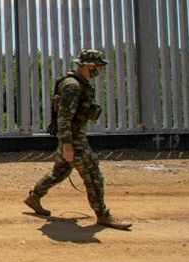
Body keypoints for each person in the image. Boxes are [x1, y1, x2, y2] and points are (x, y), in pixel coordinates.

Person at [24, 49, 132, 230]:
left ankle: (34, 197)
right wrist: (67, 145)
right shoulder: (72, 86)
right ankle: (103, 215)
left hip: (72, 137)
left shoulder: (77, 83)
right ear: (89, 66)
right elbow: (64, 117)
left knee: (60, 171)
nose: (99, 70)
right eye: (98, 67)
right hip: (74, 140)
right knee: (93, 175)